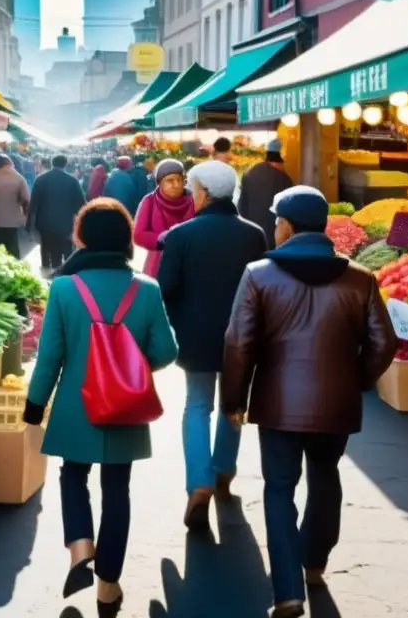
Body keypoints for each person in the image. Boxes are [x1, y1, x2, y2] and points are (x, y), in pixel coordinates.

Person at [222, 186, 397, 618]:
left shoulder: (258, 274)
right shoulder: (360, 278)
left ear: (286, 226)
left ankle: (288, 592)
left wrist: (234, 400)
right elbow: (384, 343)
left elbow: (238, 343)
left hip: (277, 403)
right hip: (336, 403)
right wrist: (355, 380)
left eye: (276, 220)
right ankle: (315, 562)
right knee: (325, 474)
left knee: (279, 488)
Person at [23, 199, 178, 617]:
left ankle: (80, 548)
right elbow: (167, 350)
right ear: (127, 238)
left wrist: (35, 405)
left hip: (76, 404)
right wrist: (130, 366)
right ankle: (108, 586)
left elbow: (49, 356)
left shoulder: (64, 288)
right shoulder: (146, 289)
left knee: (73, 475)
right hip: (126, 405)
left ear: (82, 237)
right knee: (117, 488)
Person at [157, 161, 268, 528]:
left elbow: (165, 288)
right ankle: (223, 470)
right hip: (242, 335)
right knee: (232, 403)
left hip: (195, 335)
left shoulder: (181, 235)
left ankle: (199, 481)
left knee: (197, 405)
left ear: (203, 193)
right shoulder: (254, 234)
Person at [131, 159, 195, 278]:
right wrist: (160, 238)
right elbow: (138, 235)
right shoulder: (149, 201)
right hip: (158, 265)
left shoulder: (194, 200)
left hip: (189, 264)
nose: (176, 185)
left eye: (179, 180)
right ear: (159, 183)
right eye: (170, 181)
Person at [28, 154, 87, 274]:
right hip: (65, 223)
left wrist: (30, 225)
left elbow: (33, 204)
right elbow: (81, 204)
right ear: (65, 164)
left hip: (45, 223)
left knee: (47, 247)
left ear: (52, 163)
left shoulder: (41, 179)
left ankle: (49, 269)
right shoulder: (72, 181)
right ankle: (65, 272)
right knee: (67, 248)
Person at [239, 139, 293, 237]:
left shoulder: (250, 173)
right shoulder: (284, 179)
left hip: (252, 233)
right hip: (275, 235)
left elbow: (242, 207)